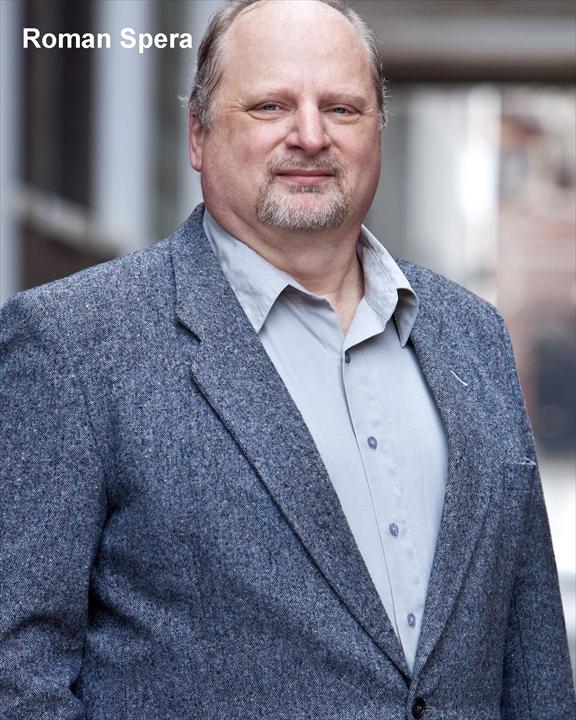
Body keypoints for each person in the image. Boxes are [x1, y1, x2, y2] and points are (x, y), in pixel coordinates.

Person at [1, 0, 574, 717]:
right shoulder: (72, 344)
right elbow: (17, 671)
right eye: (270, 106)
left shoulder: (474, 334)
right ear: (198, 135)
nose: (310, 136)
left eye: (342, 108)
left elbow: (532, 654)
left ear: (378, 131)